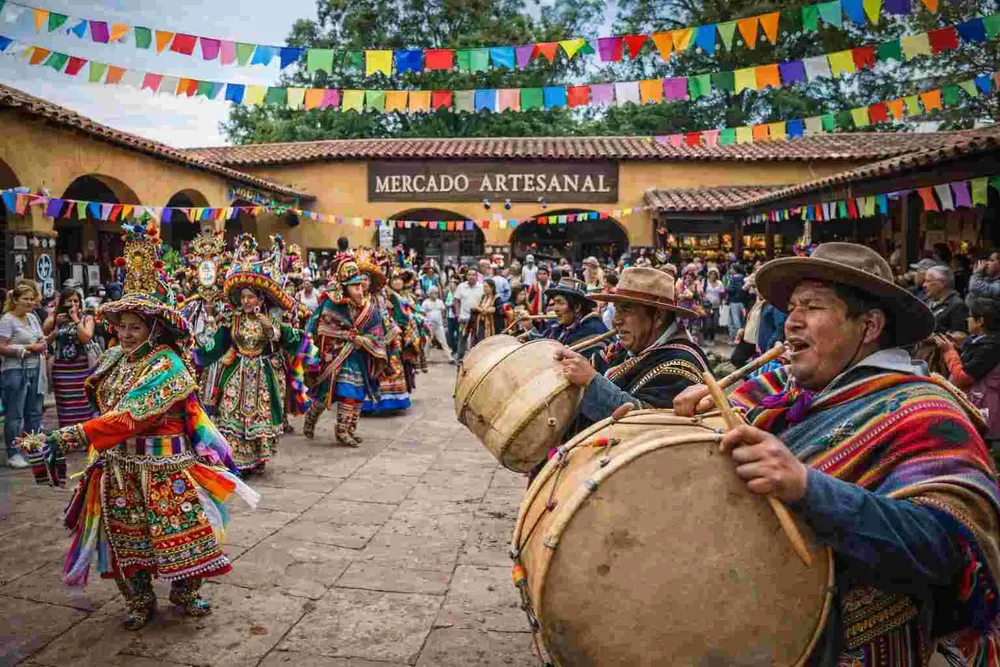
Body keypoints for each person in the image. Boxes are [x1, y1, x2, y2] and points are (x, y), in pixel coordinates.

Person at [673, 242, 1000, 665]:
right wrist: (700, 410)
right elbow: (736, 406)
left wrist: (808, 487)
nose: (791, 322)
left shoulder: (925, 411)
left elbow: (947, 546)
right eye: (792, 306)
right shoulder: (788, 388)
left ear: (868, 327)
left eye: (812, 307)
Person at [15, 222, 257, 630]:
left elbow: (130, 415)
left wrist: (68, 436)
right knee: (127, 541)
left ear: (154, 329)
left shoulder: (169, 365)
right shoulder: (112, 359)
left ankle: (186, 592)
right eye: (122, 326)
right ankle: (139, 599)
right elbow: (102, 403)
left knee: (183, 538)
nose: (126, 334)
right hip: (119, 470)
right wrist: (90, 443)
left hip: (165, 469)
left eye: (136, 327)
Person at [195, 237, 309, 474]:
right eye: (244, 297)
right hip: (236, 372)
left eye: (251, 297)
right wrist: (197, 351)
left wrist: (271, 329)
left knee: (260, 415)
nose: (246, 301)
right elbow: (217, 344)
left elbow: (291, 339)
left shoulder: (273, 319)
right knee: (229, 412)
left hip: (263, 375)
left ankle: (257, 458)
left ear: (261, 298)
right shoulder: (232, 318)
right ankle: (234, 459)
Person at [555, 267, 709, 426]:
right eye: (616, 310)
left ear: (658, 317)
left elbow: (646, 424)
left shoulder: (683, 364)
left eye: (626, 310)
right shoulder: (625, 348)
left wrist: (591, 381)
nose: (616, 320)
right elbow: (592, 364)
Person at [304, 256, 386, 445]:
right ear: (344, 288)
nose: (360, 289)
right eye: (354, 286)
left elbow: (377, 332)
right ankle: (318, 419)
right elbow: (324, 328)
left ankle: (348, 428)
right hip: (335, 357)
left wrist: (363, 341)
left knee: (356, 392)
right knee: (331, 394)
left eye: (360, 285)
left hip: (358, 357)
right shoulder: (332, 304)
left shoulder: (370, 309)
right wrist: (348, 337)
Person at [937, 297, 1000, 449]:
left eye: (971, 316)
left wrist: (949, 352)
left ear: (980, 321)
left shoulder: (991, 347)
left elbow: (963, 378)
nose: (967, 319)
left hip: (985, 410)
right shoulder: (980, 341)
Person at [0, 282, 45, 468]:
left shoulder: (33, 318)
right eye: (25, 299)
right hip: (15, 370)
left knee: (34, 412)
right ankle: (14, 452)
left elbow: (41, 338)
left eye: (31, 299)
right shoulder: (7, 320)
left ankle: (33, 448)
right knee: (15, 414)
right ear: (15, 300)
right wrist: (27, 348)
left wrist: (42, 344)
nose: (29, 302)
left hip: (36, 368)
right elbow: (1, 347)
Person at [43, 288, 97, 428]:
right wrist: (55, 324)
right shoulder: (55, 318)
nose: (73, 304)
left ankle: (84, 433)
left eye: (76, 301)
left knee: (84, 400)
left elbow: (86, 337)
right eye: (69, 300)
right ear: (63, 303)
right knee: (65, 402)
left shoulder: (87, 318)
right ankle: (67, 437)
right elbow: (43, 337)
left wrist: (75, 319)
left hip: (82, 366)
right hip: (61, 368)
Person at [530, 277, 608, 353]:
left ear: (577, 307)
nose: (555, 308)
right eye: (554, 303)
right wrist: (528, 326)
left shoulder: (592, 330)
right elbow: (542, 341)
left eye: (560, 302)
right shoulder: (562, 326)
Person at [924, 265, 969, 333]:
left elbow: (959, 336)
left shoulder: (957, 305)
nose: (924, 285)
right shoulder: (926, 301)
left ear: (942, 283)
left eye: (928, 281)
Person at [453, 268, 484, 362]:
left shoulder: (481, 287)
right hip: (464, 317)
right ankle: (460, 359)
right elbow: (456, 300)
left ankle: (475, 359)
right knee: (462, 338)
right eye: (469, 275)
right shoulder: (461, 286)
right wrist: (458, 314)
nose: (471, 277)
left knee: (477, 338)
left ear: (477, 276)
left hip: (477, 317)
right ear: (466, 276)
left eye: (473, 275)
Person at [420, 286, 452, 363]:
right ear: (430, 294)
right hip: (429, 326)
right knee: (427, 342)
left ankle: (449, 357)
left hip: (439, 325)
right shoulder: (425, 302)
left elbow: (443, 312)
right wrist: (424, 324)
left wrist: (444, 321)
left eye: (437, 293)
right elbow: (422, 313)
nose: (436, 294)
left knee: (444, 341)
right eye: (434, 293)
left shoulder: (440, 302)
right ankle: (424, 357)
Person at [467, 278, 504, 345]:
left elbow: (496, 310)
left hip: (493, 325)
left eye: (486, 287)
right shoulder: (483, 297)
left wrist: (481, 309)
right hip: (481, 323)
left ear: (492, 288)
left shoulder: (497, 299)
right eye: (484, 287)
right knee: (480, 342)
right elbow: (479, 307)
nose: (484, 288)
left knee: (490, 343)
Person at [702, 267, 726, 344]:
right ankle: (706, 338)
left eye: (714, 274)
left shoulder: (720, 283)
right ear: (709, 274)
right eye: (711, 273)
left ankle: (712, 338)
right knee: (707, 323)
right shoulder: (704, 281)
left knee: (715, 323)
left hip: (716, 306)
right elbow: (701, 292)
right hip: (707, 306)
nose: (713, 275)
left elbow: (722, 293)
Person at [726, 264, 746, 344]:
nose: (730, 270)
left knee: (735, 321)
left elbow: (732, 289)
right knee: (736, 320)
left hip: (734, 301)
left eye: (731, 269)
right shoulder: (743, 278)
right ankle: (733, 338)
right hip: (741, 301)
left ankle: (737, 339)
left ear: (735, 270)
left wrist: (726, 289)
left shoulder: (734, 278)